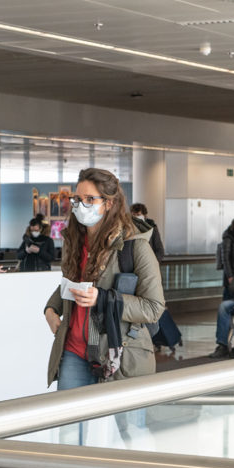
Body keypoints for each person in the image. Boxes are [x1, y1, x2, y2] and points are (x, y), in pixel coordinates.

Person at [43, 167, 165, 392]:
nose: (81, 205)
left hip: (120, 355)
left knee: (124, 427)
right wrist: (51, 310)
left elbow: (153, 307)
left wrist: (102, 298)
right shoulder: (74, 241)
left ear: (109, 203)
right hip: (74, 351)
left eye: (90, 199)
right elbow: (70, 283)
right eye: (77, 199)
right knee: (71, 425)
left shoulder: (135, 245)